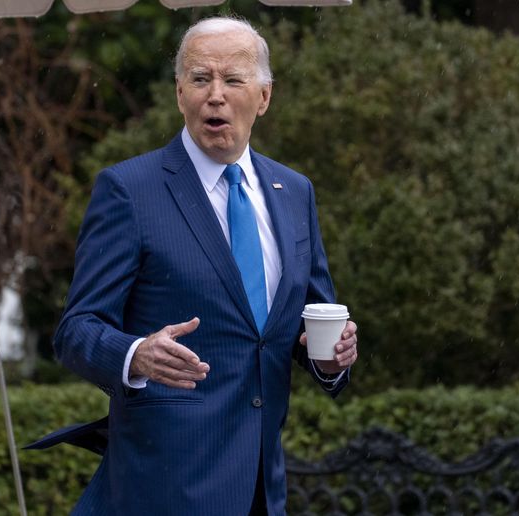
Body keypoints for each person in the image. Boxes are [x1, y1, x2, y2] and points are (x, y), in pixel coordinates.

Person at [32, 16, 359, 515]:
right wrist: (136, 353)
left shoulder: (294, 192)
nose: (216, 95)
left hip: (260, 489)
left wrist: (330, 359)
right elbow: (76, 330)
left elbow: (305, 323)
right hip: (162, 486)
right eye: (201, 79)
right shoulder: (130, 191)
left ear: (264, 97)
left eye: (233, 80)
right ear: (180, 92)